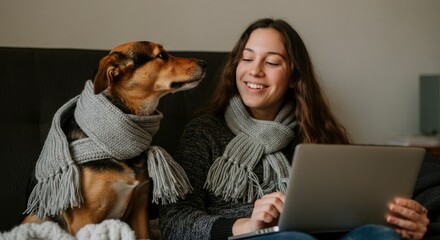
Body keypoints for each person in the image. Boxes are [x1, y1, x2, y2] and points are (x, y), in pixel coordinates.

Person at [159, 18, 430, 240]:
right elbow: (175, 221)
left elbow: (349, 212)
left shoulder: (317, 133)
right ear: (235, 67)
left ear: (294, 77)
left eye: (272, 62)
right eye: (247, 58)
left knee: (380, 235)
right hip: (250, 238)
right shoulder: (204, 131)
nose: (255, 71)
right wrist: (246, 225)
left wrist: (402, 222)